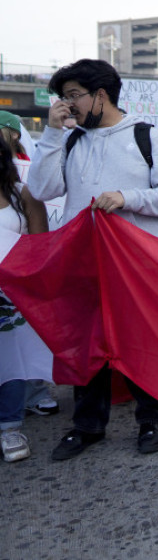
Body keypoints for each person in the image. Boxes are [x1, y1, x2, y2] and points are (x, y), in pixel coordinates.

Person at [28, 59, 158, 461]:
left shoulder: (145, 135)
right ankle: (87, 425)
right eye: (62, 98)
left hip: (136, 264)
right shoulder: (68, 140)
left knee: (140, 339)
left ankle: (151, 420)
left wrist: (127, 197)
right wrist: (50, 132)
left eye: (73, 96)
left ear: (100, 95)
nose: (67, 105)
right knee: (87, 343)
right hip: (83, 262)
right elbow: (41, 188)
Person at [0, 141, 48, 462]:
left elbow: (40, 244)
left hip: (12, 296)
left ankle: (10, 426)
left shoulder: (23, 194)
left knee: (11, 359)